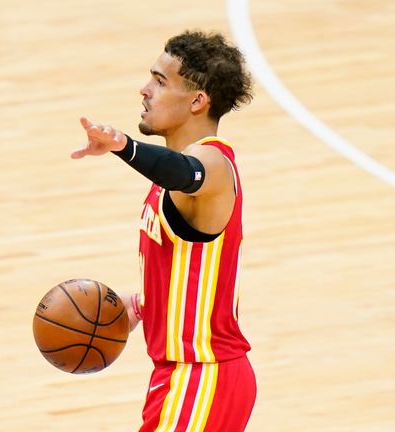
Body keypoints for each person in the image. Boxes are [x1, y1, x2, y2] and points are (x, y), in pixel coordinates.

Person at [71, 30, 256, 432]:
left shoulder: (211, 164)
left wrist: (124, 145)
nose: (144, 90)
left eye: (159, 81)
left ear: (196, 101)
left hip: (202, 376)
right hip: (183, 378)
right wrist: (141, 304)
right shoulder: (173, 170)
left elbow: (187, 174)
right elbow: (192, 268)